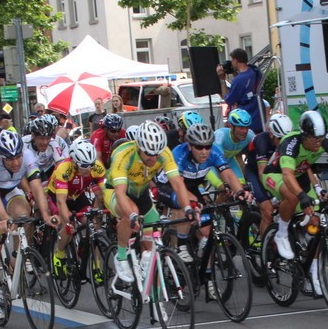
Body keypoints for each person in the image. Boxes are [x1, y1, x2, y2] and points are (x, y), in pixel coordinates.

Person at [262, 111, 328, 294]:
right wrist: (303, 196)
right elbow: (287, 175)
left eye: (321, 138)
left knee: (318, 222)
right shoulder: (290, 143)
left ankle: (313, 272)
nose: (319, 143)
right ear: (304, 135)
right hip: (276, 175)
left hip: (301, 176)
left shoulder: (325, 140)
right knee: (294, 196)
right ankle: (281, 233)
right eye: (315, 139)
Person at [0, 130, 57, 323]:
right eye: (10, 159)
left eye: (18, 156)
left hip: (10, 190)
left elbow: (36, 187)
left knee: (24, 214)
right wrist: (3, 218)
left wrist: (45, 214)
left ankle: (16, 257)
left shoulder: (28, 155)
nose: (16, 163)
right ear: (1, 155)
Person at [103, 120, 196, 284]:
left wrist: (188, 208)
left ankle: (150, 280)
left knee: (152, 236)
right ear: (139, 146)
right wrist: (131, 215)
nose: (154, 158)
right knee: (131, 213)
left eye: (157, 154)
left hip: (141, 191)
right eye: (149, 154)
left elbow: (177, 183)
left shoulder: (164, 153)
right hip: (116, 191)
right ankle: (121, 255)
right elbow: (120, 193)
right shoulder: (123, 155)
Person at [157, 122, 247, 269]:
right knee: (187, 203)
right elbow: (178, 184)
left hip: (191, 187)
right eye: (199, 147)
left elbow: (228, 174)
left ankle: (208, 277)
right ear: (190, 146)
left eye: (207, 146)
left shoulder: (214, 152)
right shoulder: (179, 153)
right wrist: (190, 204)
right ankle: (180, 245)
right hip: (169, 186)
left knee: (207, 233)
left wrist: (240, 192)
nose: (204, 151)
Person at [45, 139, 105, 277]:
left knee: (92, 226)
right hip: (57, 196)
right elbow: (61, 201)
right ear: (74, 161)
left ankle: (97, 268)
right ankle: (59, 255)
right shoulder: (64, 169)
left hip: (77, 196)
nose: (89, 169)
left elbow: (105, 193)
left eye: (91, 164)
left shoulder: (97, 167)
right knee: (69, 227)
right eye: (84, 165)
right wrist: (67, 221)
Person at [244, 112, 293, 239]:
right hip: (255, 173)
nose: (283, 143)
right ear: (271, 134)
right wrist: (274, 195)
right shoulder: (262, 141)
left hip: (274, 172)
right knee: (268, 210)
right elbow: (262, 174)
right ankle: (264, 247)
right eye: (280, 139)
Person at [221, 48, 265, 137]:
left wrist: (222, 79)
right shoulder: (255, 71)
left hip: (245, 122)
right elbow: (245, 85)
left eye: (232, 60)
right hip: (260, 118)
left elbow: (228, 99)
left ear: (236, 60)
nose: (231, 63)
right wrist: (234, 73)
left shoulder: (238, 80)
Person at [214, 109, 254, 181]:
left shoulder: (250, 136)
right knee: (222, 187)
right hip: (212, 164)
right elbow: (219, 162)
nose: (245, 131)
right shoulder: (220, 135)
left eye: (247, 127)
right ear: (231, 126)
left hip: (230, 161)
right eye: (241, 127)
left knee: (241, 185)